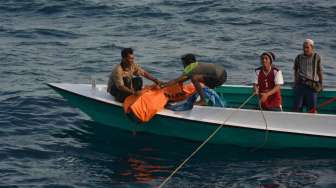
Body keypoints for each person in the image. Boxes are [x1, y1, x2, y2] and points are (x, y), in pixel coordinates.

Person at [161, 54, 227, 106]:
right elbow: (183, 79)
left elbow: (176, 80)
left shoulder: (190, 68)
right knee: (195, 77)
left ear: (187, 63)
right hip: (223, 75)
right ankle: (207, 91)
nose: (183, 65)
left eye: (183, 63)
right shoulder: (197, 65)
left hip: (218, 78)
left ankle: (203, 100)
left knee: (194, 78)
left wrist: (163, 85)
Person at [293, 39, 323, 113]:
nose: (305, 49)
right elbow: (296, 71)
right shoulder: (298, 57)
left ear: (312, 48)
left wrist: (321, 84)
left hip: (312, 86)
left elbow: (319, 71)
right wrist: (295, 83)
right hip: (301, 85)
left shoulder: (317, 57)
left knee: (312, 109)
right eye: (304, 47)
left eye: (307, 47)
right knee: (297, 108)